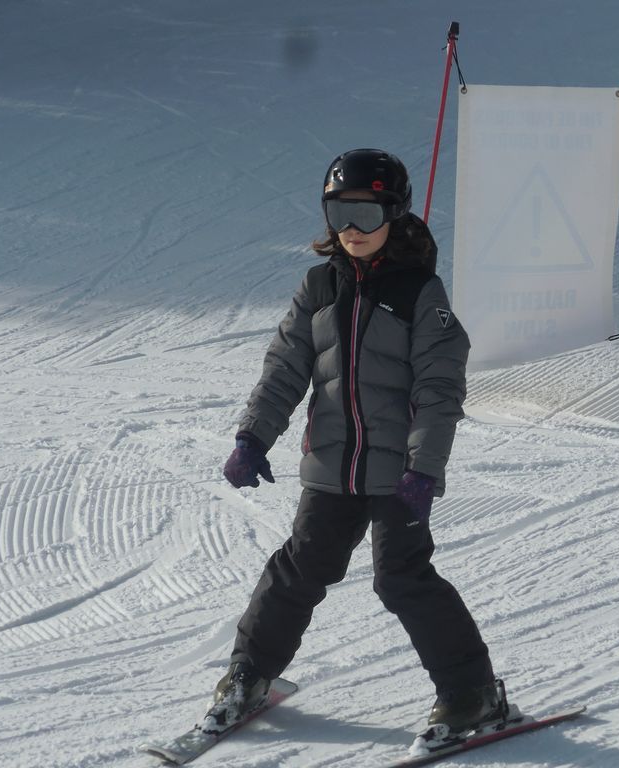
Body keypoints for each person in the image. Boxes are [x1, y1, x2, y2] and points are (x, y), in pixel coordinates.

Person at [206, 148, 503, 753]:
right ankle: (248, 675)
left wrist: (424, 469)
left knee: (401, 578)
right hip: (332, 463)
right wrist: (252, 436)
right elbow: (284, 369)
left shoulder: (421, 292)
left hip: (399, 472)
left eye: (366, 214)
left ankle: (473, 693)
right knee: (299, 568)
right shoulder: (318, 286)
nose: (351, 229)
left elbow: (439, 390)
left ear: (394, 214)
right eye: (339, 213)